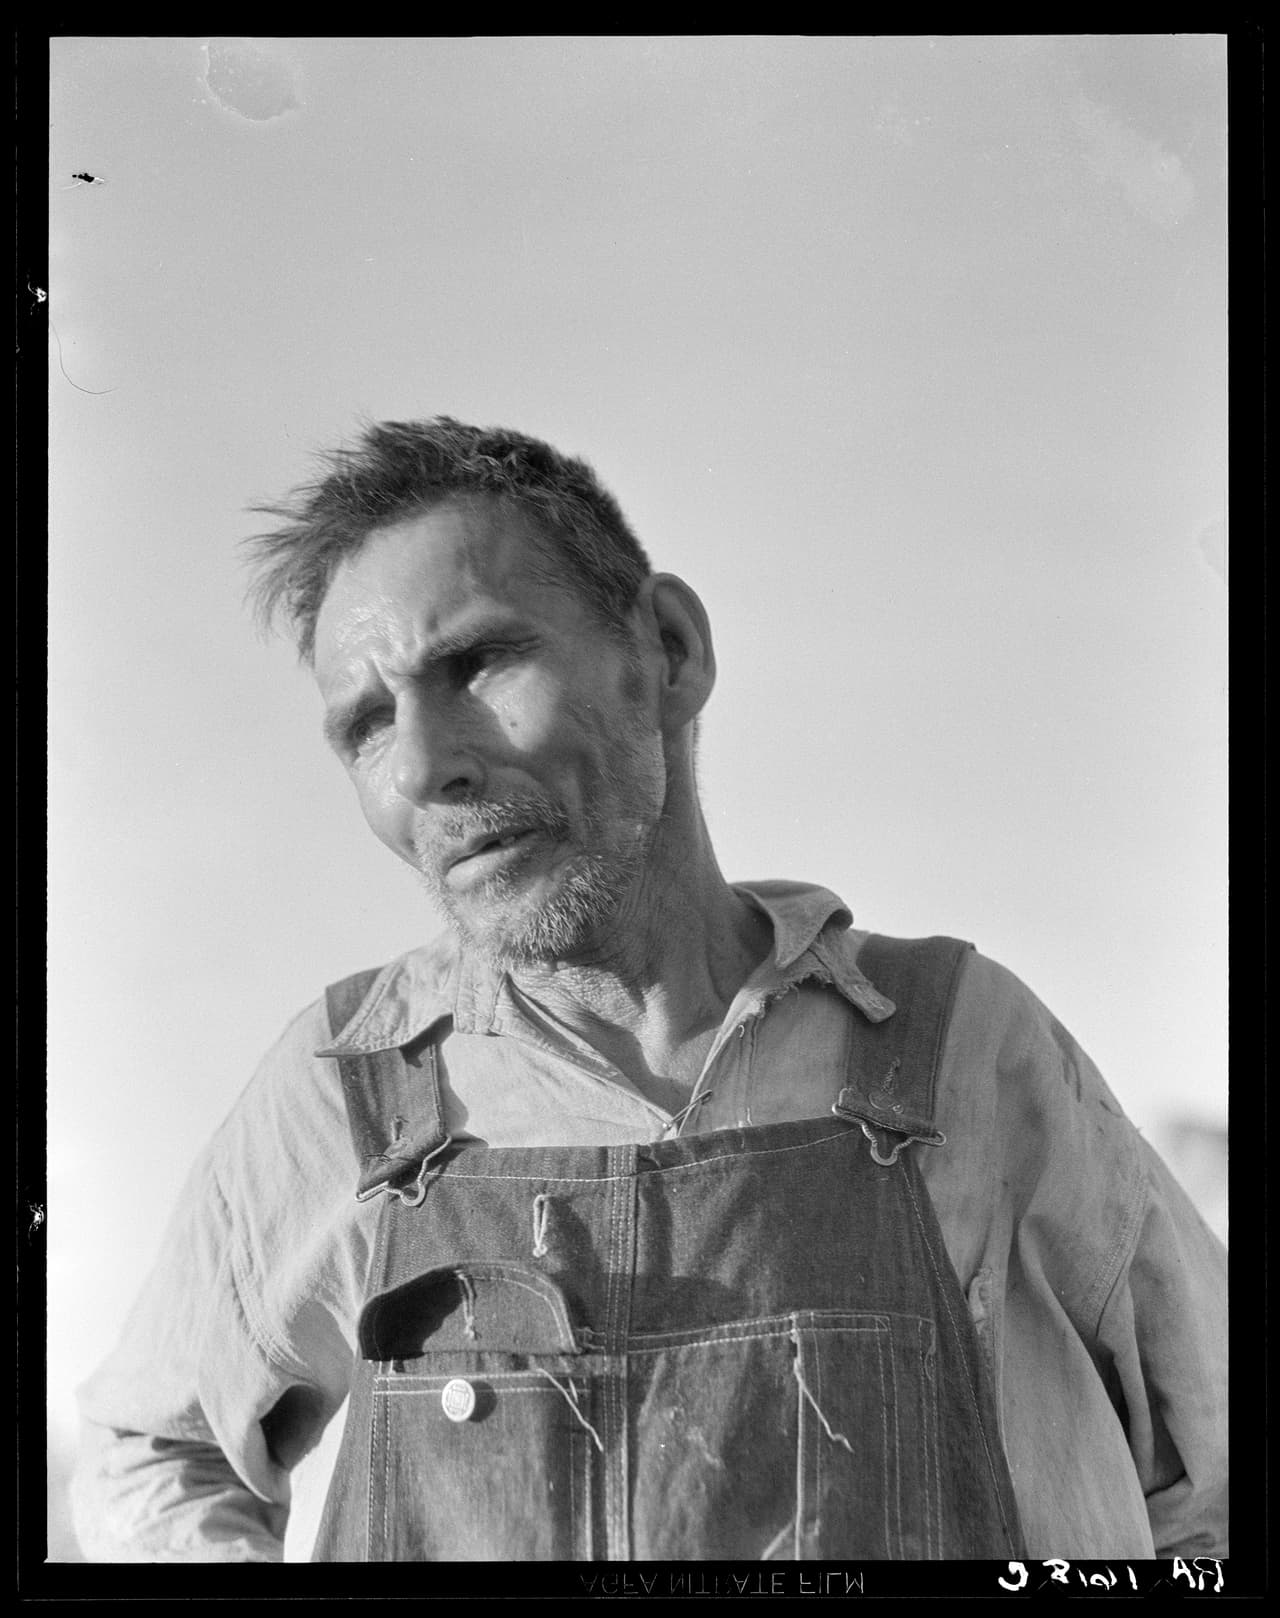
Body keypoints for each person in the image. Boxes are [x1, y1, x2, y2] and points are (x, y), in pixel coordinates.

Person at [71, 417, 1228, 1564]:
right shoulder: (353, 1087)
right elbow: (156, 1452)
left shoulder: (961, 1044)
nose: (423, 768)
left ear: (667, 648)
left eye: (474, 662)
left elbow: (1218, 1469)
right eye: (367, 726)